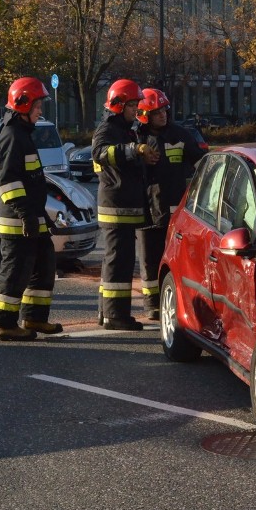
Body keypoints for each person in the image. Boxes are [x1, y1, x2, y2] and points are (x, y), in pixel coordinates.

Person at [0, 76, 62, 341]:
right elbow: (7, 181)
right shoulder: (11, 136)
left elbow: (30, 180)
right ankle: (5, 324)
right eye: (37, 106)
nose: (40, 111)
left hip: (32, 216)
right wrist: (26, 215)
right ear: (22, 104)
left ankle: (34, 318)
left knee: (44, 264)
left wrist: (39, 216)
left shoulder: (23, 134)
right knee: (15, 270)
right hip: (19, 219)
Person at [91, 79, 160, 330]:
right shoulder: (108, 129)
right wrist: (134, 150)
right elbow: (100, 153)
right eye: (132, 104)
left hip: (124, 207)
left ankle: (106, 312)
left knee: (117, 262)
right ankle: (115, 316)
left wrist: (143, 157)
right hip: (116, 207)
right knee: (118, 263)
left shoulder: (124, 129)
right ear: (118, 105)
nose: (136, 109)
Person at [136, 88, 205, 319]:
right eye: (156, 112)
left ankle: (177, 299)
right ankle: (152, 304)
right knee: (149, 258)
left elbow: (200, 163)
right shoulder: (137, 138)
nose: (163, 115)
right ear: (145, 114)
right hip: (147, 207)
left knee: (176, 256)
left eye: (164, 110)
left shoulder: (180, 135)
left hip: (175, 209)